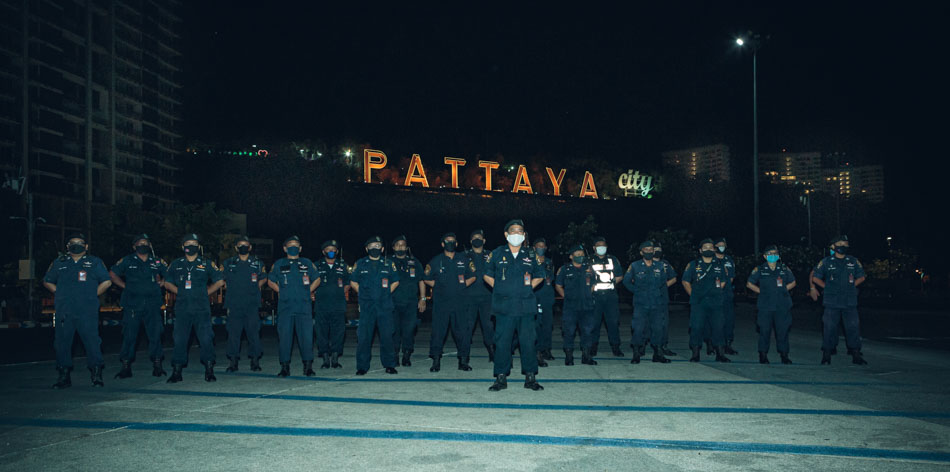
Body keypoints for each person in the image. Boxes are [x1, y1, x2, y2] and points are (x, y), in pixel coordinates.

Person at [43, 233, 112, 389]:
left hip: (87, 310)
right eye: (72, 243)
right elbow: (47, 281)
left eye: (80, 243)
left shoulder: (94, 262)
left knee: (92, 342)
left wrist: (90, 295)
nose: (76, 245)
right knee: (62, 343)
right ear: (67, 247)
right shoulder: (59, 262)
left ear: (86, 247)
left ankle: (96, 374)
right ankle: (63, 376)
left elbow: (106, 282)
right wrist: (59, 293)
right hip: (65, 310)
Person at [484, 220, 544, 391]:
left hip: (525, 306)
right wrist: (500, 287)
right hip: (504, 307)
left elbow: (540, 275)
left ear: (524, 235)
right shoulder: (496, 253)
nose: (517, 234)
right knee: (502, 342)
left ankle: (530, 377)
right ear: (506, 234)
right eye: (513, 231)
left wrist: (527, 287)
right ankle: (501, 377)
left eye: (520, 231)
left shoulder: (531, 254)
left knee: (528, 342)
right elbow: (486, 275)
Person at [164, 234, 225, 382]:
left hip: (201, 308)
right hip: (182, 307)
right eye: (188, 243)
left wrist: (205, 292)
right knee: (179, 339)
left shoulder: (206, 263)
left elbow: (219, 281)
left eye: (194, 243)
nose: (191, 245)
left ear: (198, 246)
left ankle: (209, 369)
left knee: (206, 339)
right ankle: (177, 371)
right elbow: (167, 282)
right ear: (183, 246)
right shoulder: (176, 264)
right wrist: (180, 292)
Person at [110, 234, 168, 378]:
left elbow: (172, 273)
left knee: (155, 335)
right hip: (132, 303)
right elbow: (112, 273)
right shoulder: (127, 260)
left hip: (152, 303)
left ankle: (157, 364)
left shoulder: (157, 261)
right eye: (140, 243)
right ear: (134, 246)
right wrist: (124, 285)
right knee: (129, 335)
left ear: (150, 245)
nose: (143, 245)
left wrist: (163, 282)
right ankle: (126, 366)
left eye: (146, 243)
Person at [423, 233, 477, 372]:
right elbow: (426, 278)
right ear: (442, 244)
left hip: (460, 303)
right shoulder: (436, 261)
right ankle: (436, 361)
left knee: (462, 332)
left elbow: (473, 276)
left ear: (456, 244)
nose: (450, 243)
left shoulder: (464, 259)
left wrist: (462, 285)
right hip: (441, 304)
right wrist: (439, 285)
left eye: (453, 241)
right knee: (438, 332)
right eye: (447, 241)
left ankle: (463, 361)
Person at [267, 236, 319, 377]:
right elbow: (270, 281)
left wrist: (308, 292)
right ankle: (285, 367)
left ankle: (308, 366)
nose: (293, 247)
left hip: (304, 307)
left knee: (306, 337)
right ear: (284, 248)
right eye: (290, 245)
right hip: (285, 307)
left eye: (296, 245)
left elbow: (317, 279)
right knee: (284, 338)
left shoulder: (307, 263)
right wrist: (281, 291)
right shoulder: (279, 264)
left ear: (300, 248)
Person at [812, 235, 868, 365]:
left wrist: (852, 285)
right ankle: (827, 353)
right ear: (833, 246)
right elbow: (816, 278)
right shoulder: (826, 262)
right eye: (840, 243)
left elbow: (862, 276)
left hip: (849, 300)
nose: (843, 245)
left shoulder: (853, 261)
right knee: (829, 327)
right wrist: (827, 287)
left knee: (853, 326)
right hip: (832, 300)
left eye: (845, 243)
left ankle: (855, 353)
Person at [350, 236, 400, 375]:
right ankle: (362, 366)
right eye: (372, 246)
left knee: (387, 336)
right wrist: (364, 294)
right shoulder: (360, 264)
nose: (375, 248)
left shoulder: (388, 264)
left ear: (382, 249)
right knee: (364, 337)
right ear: (366, 249)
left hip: (384, 306)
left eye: (377, 246)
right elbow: (353, 282)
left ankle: (390, 365)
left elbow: (396, 281)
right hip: (367, 306)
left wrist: (385, 293)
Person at [622, 240, 677, 364]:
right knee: (638, 328)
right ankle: (636, 353)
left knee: (658, 328)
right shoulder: (635, 266)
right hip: (640, 303)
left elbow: (664, 283)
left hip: (657, 303)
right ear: (641, 252)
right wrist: (636, 291)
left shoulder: (660, 266)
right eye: (646, 250)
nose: (649, 252)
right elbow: (626, 281)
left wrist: (659, 294)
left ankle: (658, 353)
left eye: (651, 250)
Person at [220, 236, 266, 372]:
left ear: (250, 247)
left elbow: (264, 278)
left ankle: (255, 361)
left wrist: (257, 286)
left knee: (253, 333)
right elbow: (221, 279)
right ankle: (233, 362)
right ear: (236, 248)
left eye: (246, 245)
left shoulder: (258, 263)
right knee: (234, 334)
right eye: (240, 245)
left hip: (252, 304)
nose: (243, 247)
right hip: (234, 304)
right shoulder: (228, 263)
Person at [681, 238, 731, 363]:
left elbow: (725, 280)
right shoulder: (693, 264)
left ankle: (720, 354)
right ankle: (695, 354)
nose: (708, 249)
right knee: (696, 327)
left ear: (714, 249)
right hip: (699, 303)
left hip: (716, 302)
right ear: (700, 250)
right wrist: (694, 295)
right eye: (705, 247)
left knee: (718, 327)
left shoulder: (720, 265)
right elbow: (685, 281)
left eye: (710, 247)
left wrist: (717, 291)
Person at [746, 245, 796, 364]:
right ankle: (763, 355)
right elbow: (749, 284)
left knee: (782, 331)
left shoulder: (784, 268)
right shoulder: (760, 269)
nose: (773, 256)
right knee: (764, 330)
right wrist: (762, 292)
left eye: (775, 253)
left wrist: (783, 289)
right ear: (765, 256)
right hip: (765, 305)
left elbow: (793, 282)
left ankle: (784, 355)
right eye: (770, 254)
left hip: (782, 304)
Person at [554, 245, 597, 365]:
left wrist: (588, 294)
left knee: (587, 331)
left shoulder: (589, 269)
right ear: (571, 256)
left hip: (587, 306)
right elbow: (558, 285)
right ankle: (569, 357)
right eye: (577, 255)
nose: (580, 257)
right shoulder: (564, 269)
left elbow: (594, 284)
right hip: (570, 307)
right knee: (569, 331)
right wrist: (566, 296)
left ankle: (586, 356)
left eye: (582, 254)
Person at [313, 239, 350, 369]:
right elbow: (310, 282)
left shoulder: (343, 265)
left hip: (338, 306)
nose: (331, 251)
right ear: (323, 251)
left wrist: (339, 292)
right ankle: (324, 358)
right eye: (328, 249)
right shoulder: (316, 265)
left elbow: (348, 282)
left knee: (338, 332)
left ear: (337, 251)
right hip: (321, 305)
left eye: (333, 249)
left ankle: (335, 358)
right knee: (321, 332)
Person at [390, 235, 425, 367]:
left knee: (409, 330)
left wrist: (422, 298)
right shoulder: (388, 262)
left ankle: (406, 355)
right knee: (394, 331)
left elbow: (421, 280)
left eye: (403, 244)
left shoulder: (414, 262)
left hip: (410, 303)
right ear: (393, 247)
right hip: (393, 303)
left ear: (407, 247)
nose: (400, 247)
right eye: (397, 244)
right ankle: (394, 356)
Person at [589, 236, 625, 357]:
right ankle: (592, 347)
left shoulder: (613, 259)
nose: (601, 248)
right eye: (599, 246)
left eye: (603, 246)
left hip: (610, 297)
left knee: (613, 323)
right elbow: (584, 277)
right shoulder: (589, 260)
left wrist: (613, 282)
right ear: (594, 248)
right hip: (595, 297)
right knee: (594, 323)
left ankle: (616, 347)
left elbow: (620, 275)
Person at [465, 229, 495, 362]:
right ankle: (464, 354)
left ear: (484, 241)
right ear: (471, 241)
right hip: (469, 298)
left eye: (480, 238)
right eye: (474, 238)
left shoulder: (491, 255)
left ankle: (492, 352)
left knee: (488, 326)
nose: (477, 240)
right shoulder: (464, 256)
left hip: (487, 298)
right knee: (468, 326)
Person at [533, 237, 556, 366]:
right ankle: (537, 352)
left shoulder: (549, 262)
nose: (541, 248)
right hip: (535, 297)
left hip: (547, 297)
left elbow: (550, 278)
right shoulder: (529, 261)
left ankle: (546, 349)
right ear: (534, 248)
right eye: (539, 246)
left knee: (548, 325)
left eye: (543, 246)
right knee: (537, 326)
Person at [713, 237, 738, 355]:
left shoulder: (729, 260)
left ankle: (728, 344)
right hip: (713, 294)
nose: (721, 247)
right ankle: (713, 344)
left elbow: (731, 277)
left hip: (727, 294)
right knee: (714, 320)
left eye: (723, 245)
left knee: (728, 320)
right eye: (719, 245)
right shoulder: (710, 259)